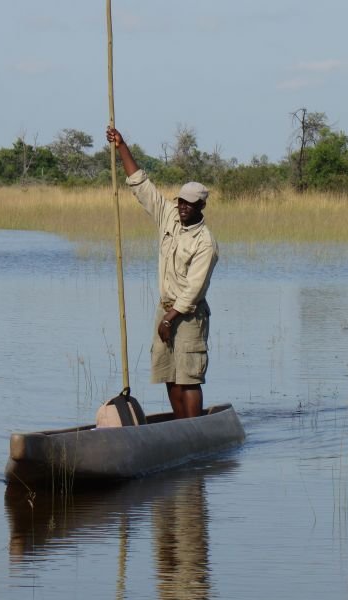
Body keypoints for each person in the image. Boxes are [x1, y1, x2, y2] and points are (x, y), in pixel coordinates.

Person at [106, 126, 218, 419]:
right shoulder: (168, 216)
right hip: (165, 310)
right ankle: (180, 426)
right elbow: (141, 185)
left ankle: (193, 431)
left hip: (189, 315)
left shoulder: (205, 242)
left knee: (188, 377)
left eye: (190, 205)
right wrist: (122, 146)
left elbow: (194, 289)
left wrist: (170, 318)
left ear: (201, 206)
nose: (183, 208)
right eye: (181, 201)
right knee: (169, 372)